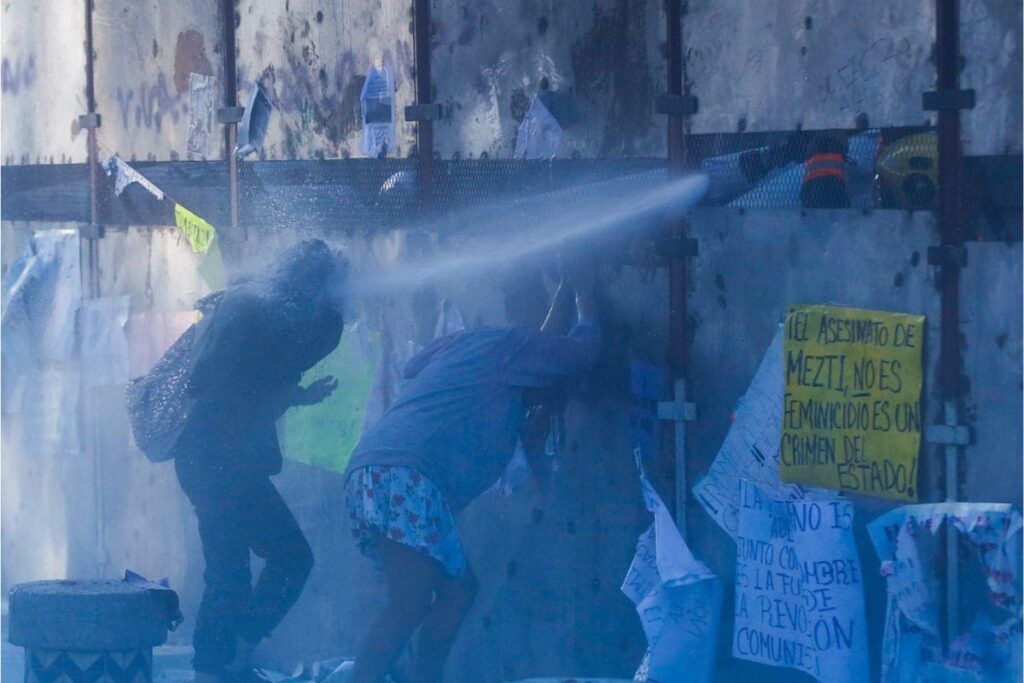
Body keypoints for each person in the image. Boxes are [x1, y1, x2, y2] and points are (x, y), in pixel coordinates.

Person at [344, 269, 601, 683]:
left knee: (454, 590)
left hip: (379, 472)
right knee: (409, 603)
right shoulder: (504, 347)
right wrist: (587, 298)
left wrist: (566, 289)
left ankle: (425, 678)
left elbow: (543, 347)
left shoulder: (487, 358)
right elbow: (577, 353)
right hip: (404, 476)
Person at [174, 239, 347, 683]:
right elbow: (244, 390)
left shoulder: (249, 305)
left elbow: (230, 385)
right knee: (286, 558)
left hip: (205, 454)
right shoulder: (287, 321)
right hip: (222, 459)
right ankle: (227, 657)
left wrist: (297, 395)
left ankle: (217, 665)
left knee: (230, 570)